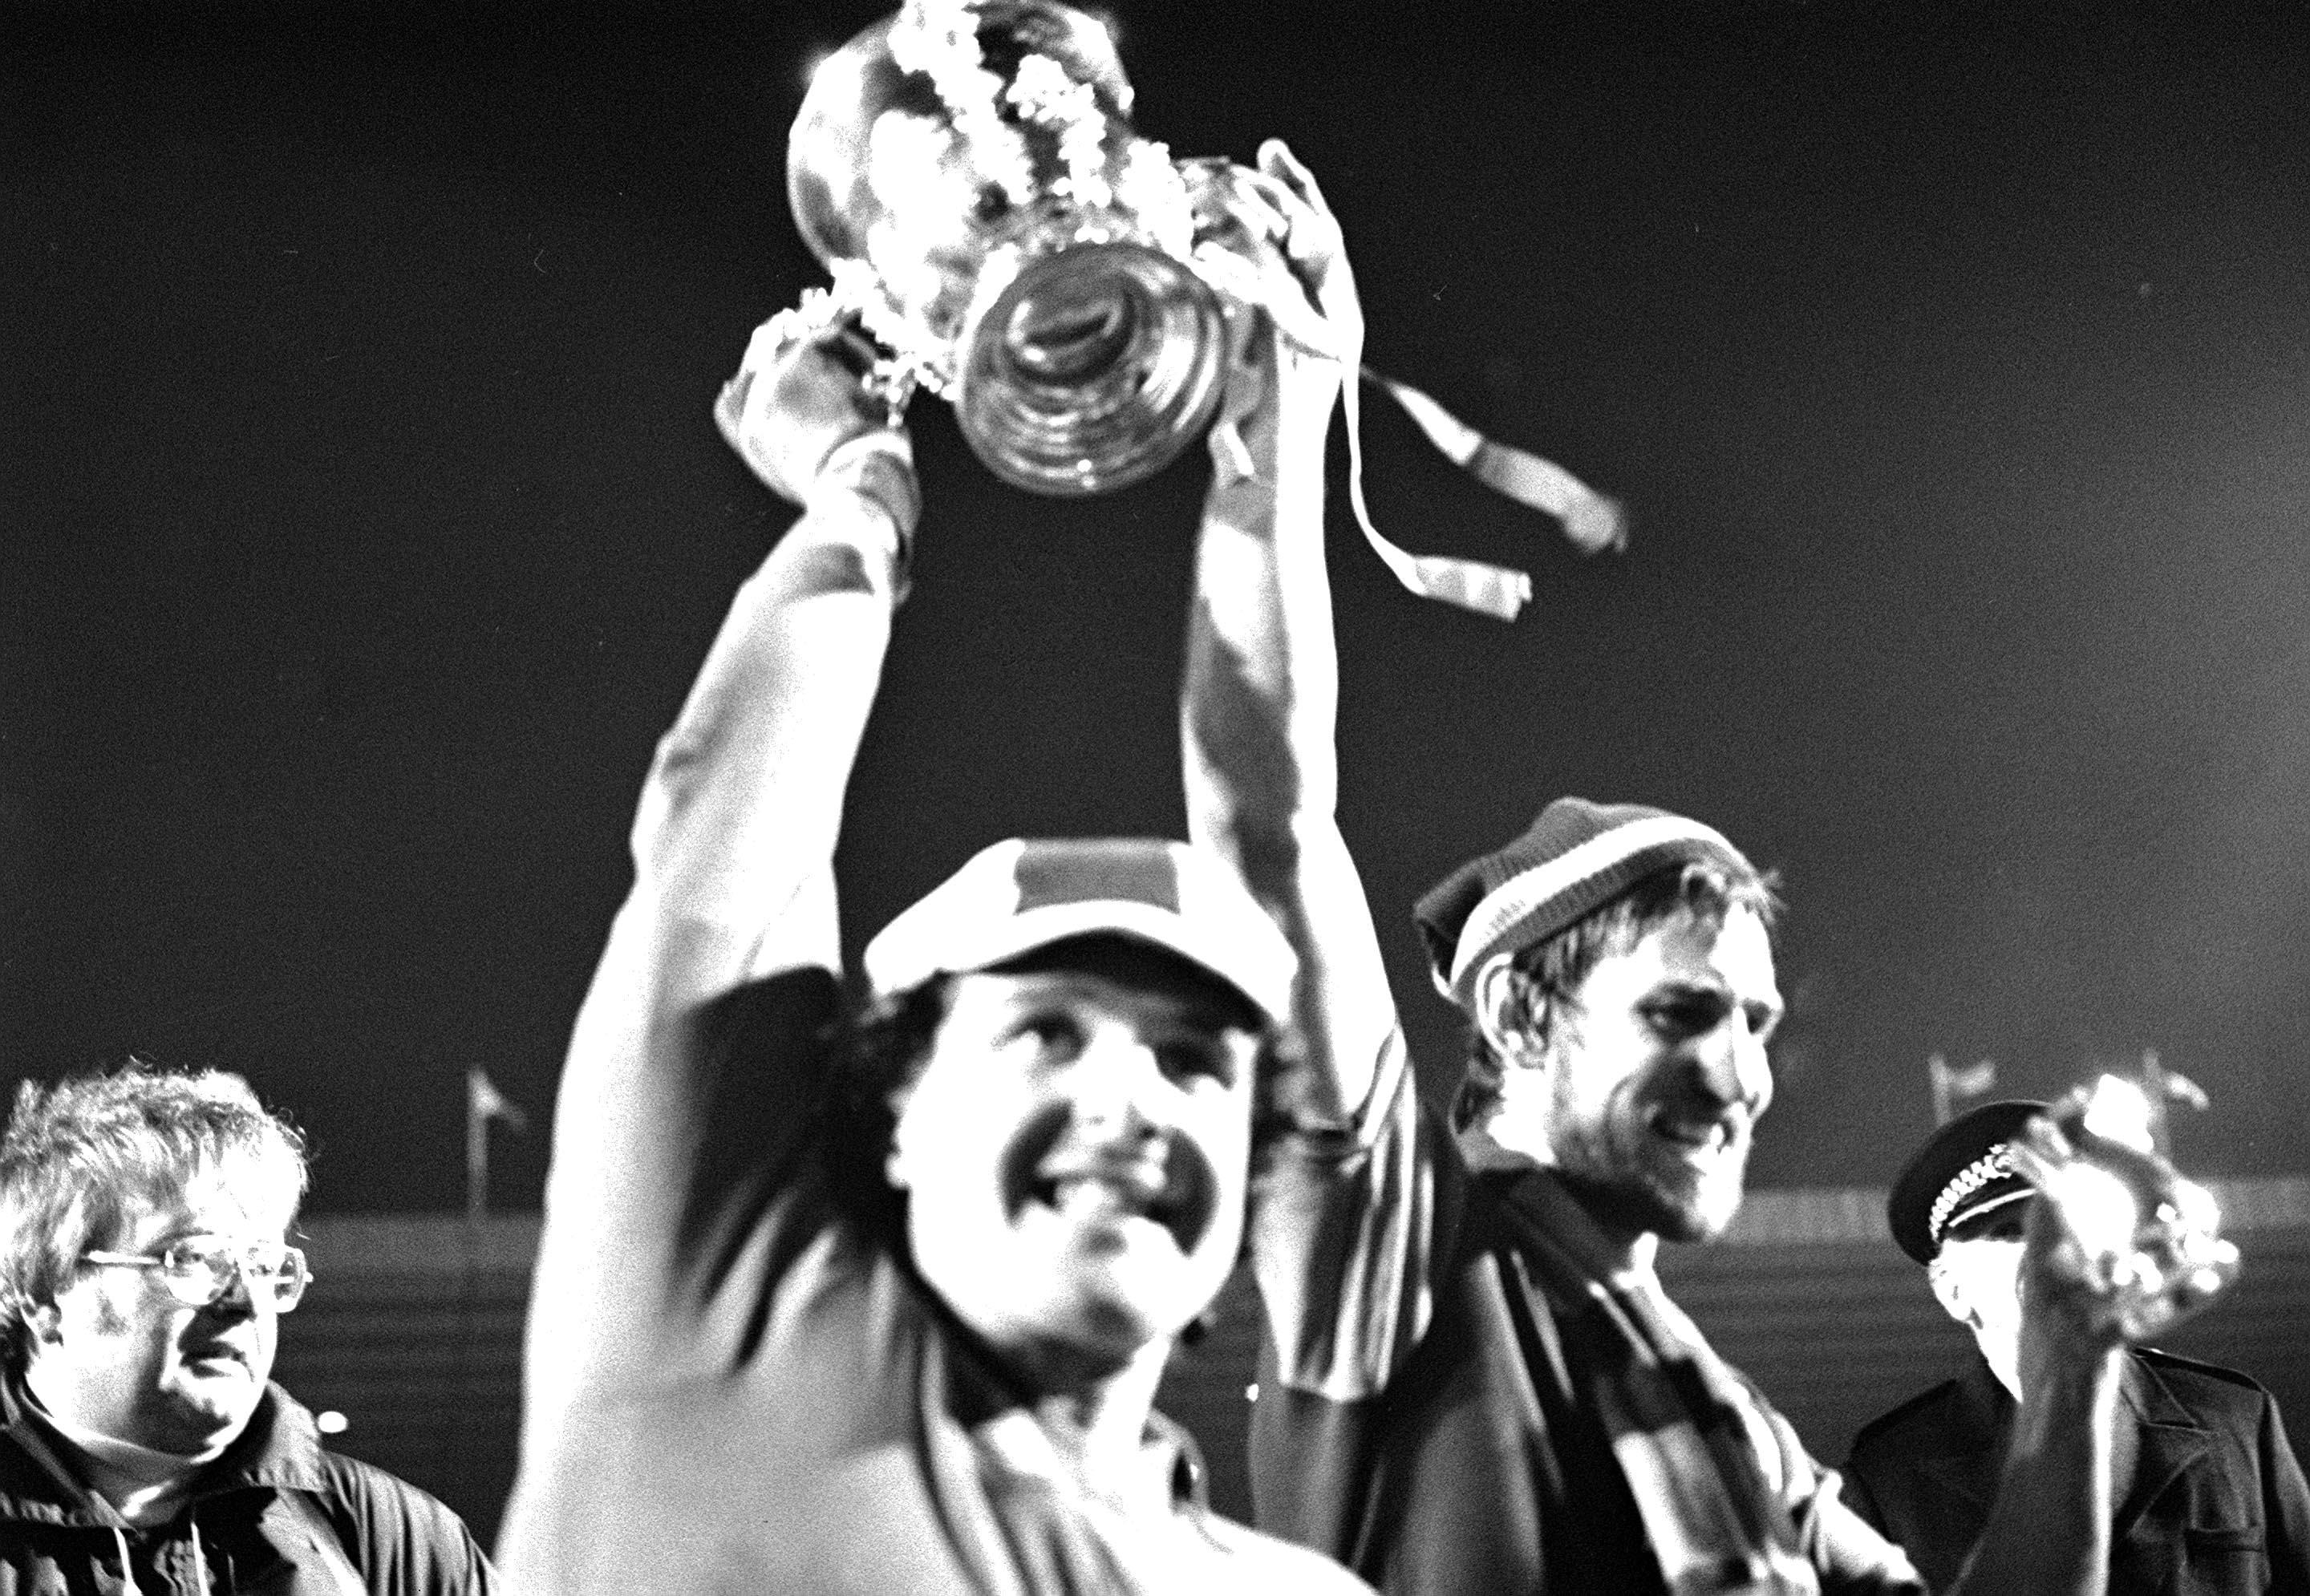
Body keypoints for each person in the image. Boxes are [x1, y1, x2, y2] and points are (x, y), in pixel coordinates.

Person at [1170, 152, 2242, 1594]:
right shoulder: (1409, 1252)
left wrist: (2072, 1375)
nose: (1743, 1074)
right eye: (1683, 1015)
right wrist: (1290, 406)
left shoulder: (1741, 1433)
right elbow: (1266, 821)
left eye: (1749, 1021)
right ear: (1520, 1021)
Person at [492, 142, 1373, 1594]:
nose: (1132, 1098)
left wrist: (1287, 418)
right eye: (1043, 1031)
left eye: (1198, 1063)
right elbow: (729, 830)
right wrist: (858, 493)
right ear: (890, 1119)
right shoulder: (711, 1333)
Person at [0, 1065, 496, 1594]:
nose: (246, 1302)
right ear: (44, 1296)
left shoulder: (396, 1538)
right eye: (193, 1259)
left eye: (262, 1266)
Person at [1843, 1100, 2310, 1594]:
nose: (2044, 1248)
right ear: (1951, 1290)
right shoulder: (1890, 1473)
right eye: (2008, 1232)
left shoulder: (2234, 1417)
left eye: (2055, 1222)